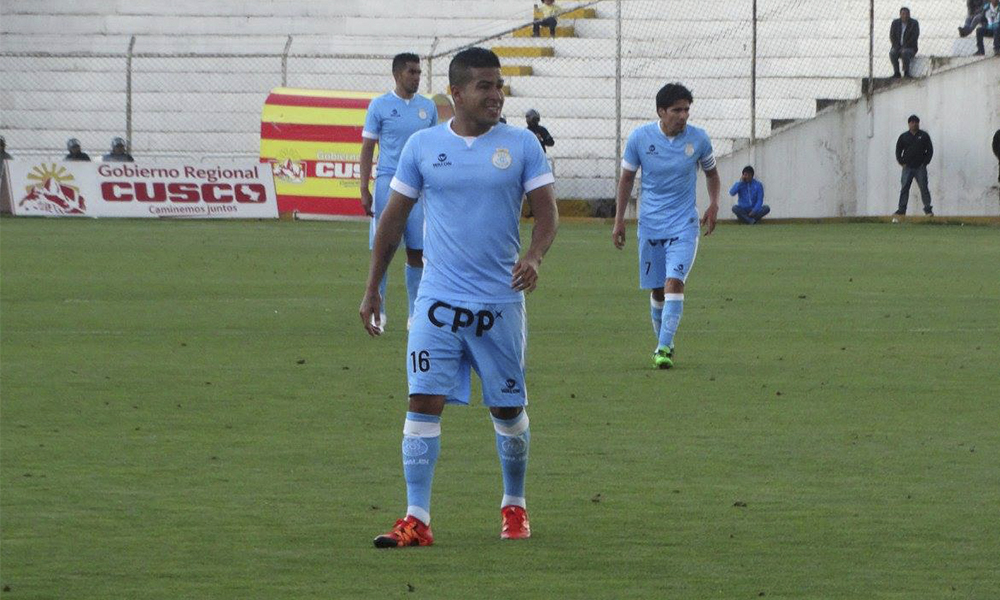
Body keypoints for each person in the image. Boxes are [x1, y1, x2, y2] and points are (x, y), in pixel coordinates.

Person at [360, 47, 557, 549]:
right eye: (484, 86)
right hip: (437, 301)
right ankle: (417, 518)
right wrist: (373, 287)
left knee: (507, 410)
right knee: (421, 401)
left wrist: (534, 256)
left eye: (498, 85)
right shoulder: (423, 146)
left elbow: (547, 214)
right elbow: (392, 221)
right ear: (457, 93)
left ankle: (514, 504)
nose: (496, 95)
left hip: (499, 304)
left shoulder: (522, 145)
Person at [612, 83, 721, 369]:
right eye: (676, 110)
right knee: (658, 290)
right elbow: (626, 179)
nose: (683, 115)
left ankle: (662, 349)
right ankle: (665, 342)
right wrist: (619, 220)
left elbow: (711, 173)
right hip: (650, 225)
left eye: (686, 110)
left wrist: (714, 203)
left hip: (684, 224)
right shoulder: (640, 138)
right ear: (661, 111)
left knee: (674, 281)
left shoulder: (698, 139)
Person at [360, 53, 438, 332]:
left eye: (419, 72)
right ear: (397, 74)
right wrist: (364, 188)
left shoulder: (427, 107)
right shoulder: (379, 105)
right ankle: (377, 311)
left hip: (419, 186)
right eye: (411, 72)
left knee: (417, 251)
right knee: (382, 250)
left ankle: (415, 315)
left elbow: (433, 147)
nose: (416, 77)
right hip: (388, 183)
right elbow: (368, 147)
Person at [894, 114, 933, 217]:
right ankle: (901, 210)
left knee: (924, 188)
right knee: (904, 188)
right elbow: (898, 150)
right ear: (909, 124)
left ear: (918, 123)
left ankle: (928, 210)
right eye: (912, 122)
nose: (914, 124)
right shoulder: (904, 136)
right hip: (907, 167)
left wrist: (925, 162)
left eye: (916, 122)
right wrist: (901, 162)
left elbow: (930, 150)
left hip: (920, 167)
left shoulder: (924, 136)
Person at [889, 7, 920, 78]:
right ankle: (896, 72)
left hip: (910, 47)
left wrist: (904, 47)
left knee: (905, 52)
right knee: (892, 53)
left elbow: (914, 37)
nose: (905, 16)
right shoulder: (895, 23)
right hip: (897, 47)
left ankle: (906, 72)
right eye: (903, 14)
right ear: (900, 15)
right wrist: (897, 46)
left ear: (909, 15)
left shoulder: (914, 24)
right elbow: (892, 36)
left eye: (907, 14)